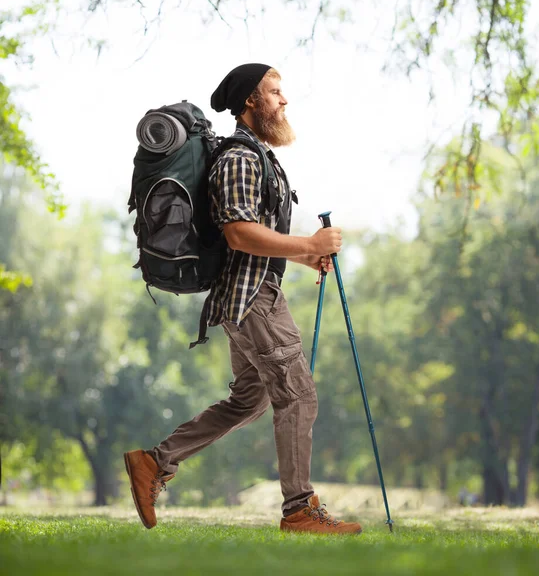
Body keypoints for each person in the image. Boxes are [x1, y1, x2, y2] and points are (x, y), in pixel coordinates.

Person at [124, 63, 362, 535]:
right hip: (254, 300)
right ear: (251, 101)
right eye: (275, 92)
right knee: (298, 394)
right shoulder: (240, 157)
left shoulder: (258, 155)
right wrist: (309, 245)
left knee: (248, 401)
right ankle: (299, 509)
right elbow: (238, 234)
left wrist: (302, 257)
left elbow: (258, 236)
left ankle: (155, 462)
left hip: (248, 294)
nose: (284, 100)